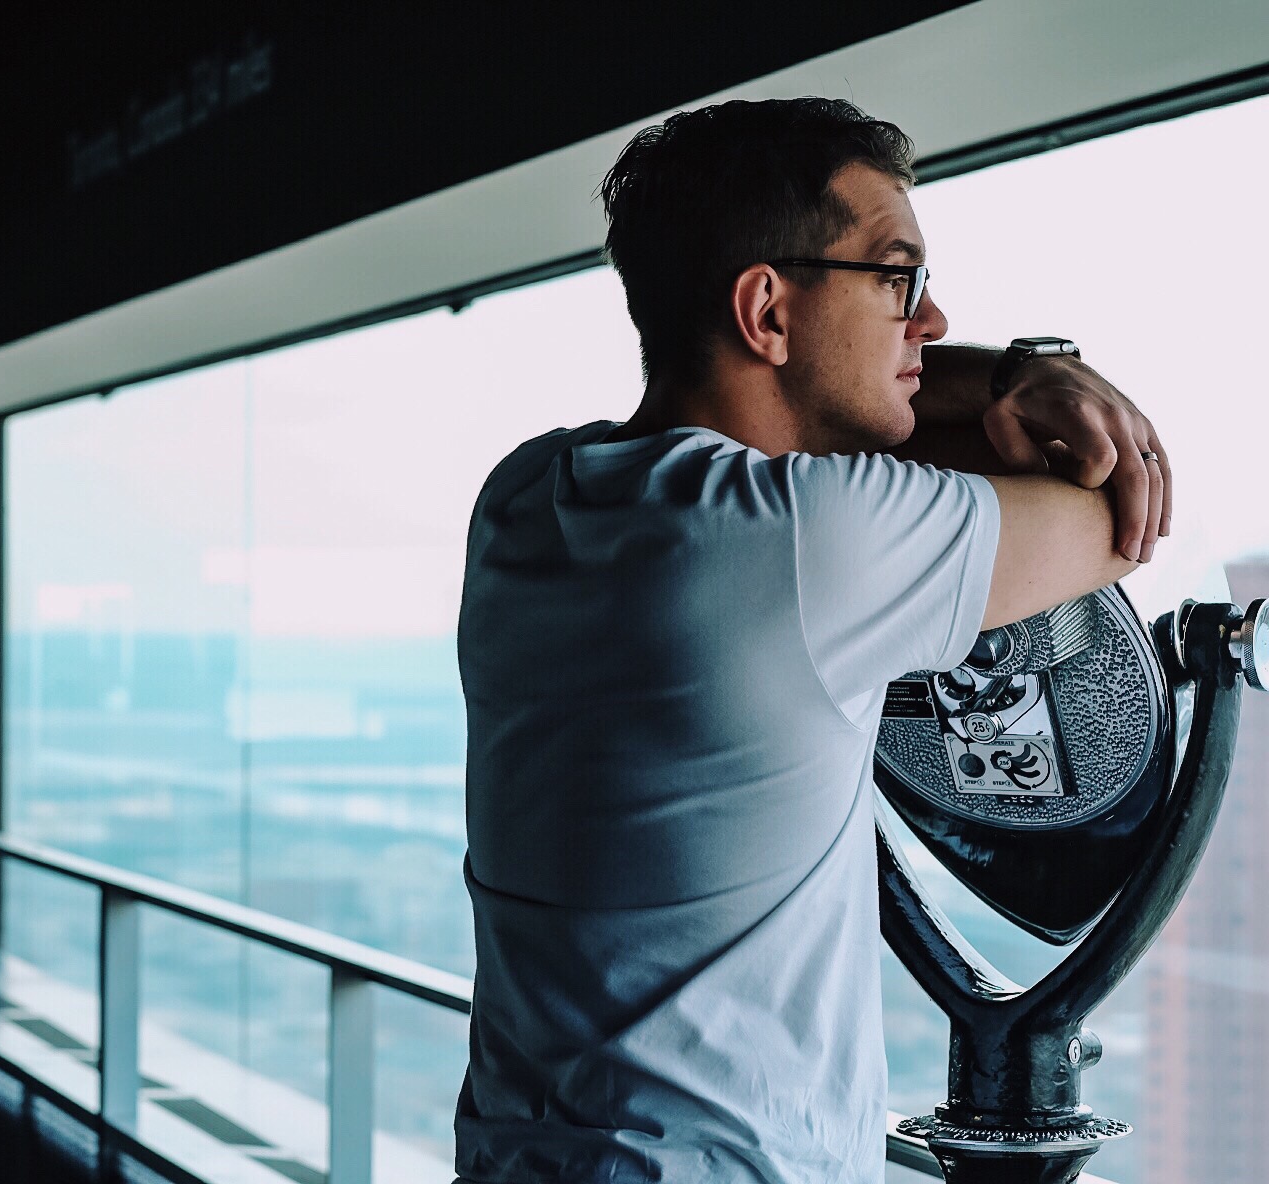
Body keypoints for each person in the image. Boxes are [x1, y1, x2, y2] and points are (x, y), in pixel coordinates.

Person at [453, 97, 1170, 1183]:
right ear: (767, 311)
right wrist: (1035, 373)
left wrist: (1011, 376)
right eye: (899, 279)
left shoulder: (526, 497)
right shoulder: (802, 539)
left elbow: (861, 416)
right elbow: (1111, 507)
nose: (928, 325)